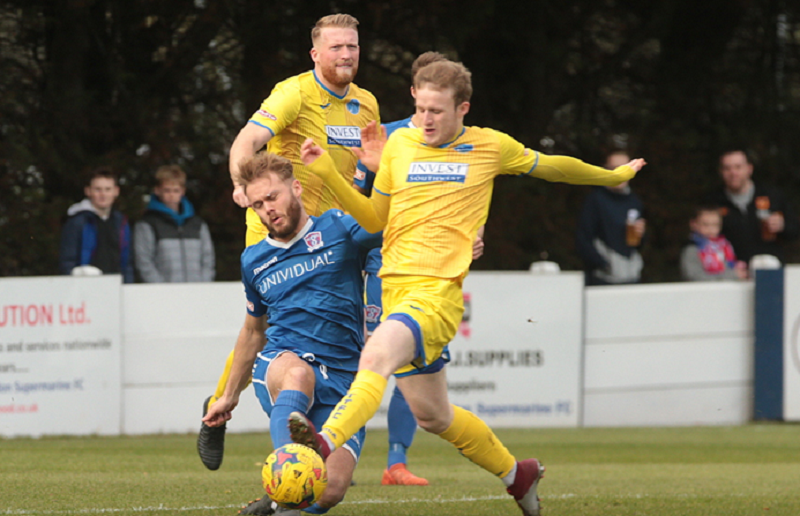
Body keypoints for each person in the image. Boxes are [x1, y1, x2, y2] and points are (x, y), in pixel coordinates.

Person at [295, 60, 646, 516]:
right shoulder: (400, 144)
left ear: (463, 108)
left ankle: (323, 442)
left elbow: (554, 168)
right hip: (395, 289)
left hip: (436, 295)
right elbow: (375, 220)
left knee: (374, 357)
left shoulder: (489, 146)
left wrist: (612, 177)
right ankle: (517, 474)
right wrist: (328, 174)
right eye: (419, 108)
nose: (425, 120)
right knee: (433, 415)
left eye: (436, 111)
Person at [197, 12, 380, 473]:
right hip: (277, 221)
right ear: (315, 54)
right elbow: (249, 140)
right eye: (336, 47)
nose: (345, 54)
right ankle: (221, 408)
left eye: (352, 46)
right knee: (265, 328)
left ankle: (326, 441)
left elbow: (366, 174)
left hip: (328, 233)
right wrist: (243, 183)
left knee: (333, 325)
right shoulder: (295, 92)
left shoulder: (367, 105)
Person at [202, 152, 381, 516]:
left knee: (330, 490)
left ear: (296, 188)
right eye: (257, 204)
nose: (267, 208)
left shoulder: (339, 227)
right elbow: (253, 331)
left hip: (344, 375)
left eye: (273, 197)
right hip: (283, 363)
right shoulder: (254, 260)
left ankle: (278, 504)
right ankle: (287, 475)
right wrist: (227, 396)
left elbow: (383, 227)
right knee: (300, 374)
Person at [354, 51, 453, 488]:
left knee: (414, 364)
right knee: (370, 358)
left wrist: (476, 235)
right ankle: (339, 457)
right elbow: (360, 207)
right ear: (414, 91)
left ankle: (396, 462)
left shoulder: (463, 144)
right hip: (384, 267)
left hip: (437, 273)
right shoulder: (386, 138)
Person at [706, 149, 799, 264]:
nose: (733, 173)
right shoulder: (713, 202)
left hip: (769, 268)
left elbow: (795, 230)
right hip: (731, 273)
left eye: (738, 167)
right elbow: (701, 238)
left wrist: (783, 225)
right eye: (727, 168)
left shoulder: (771, 195)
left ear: (749, 169)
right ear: (721, 172)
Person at [134, 165, 215, 283]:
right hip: (164, 294)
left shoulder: (197, 224)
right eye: (167, 190)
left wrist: (203, 284)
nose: (171, 195)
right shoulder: (147, 224)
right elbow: (144, 262)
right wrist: (161, 288)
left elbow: (208, 259)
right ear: (157, 190)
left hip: (197, 292)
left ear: (182, 191)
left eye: (176, 190)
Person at [575, 150, 646, 285]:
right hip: (602, 278)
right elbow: (583, 238)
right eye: (614, 168)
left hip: (631, 275)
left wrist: (641, 234)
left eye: (625, 168)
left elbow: (637, 243)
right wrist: (603, 264)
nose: (620, 172)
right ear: (605, 170)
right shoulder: (595, 199)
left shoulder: (634, 201)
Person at [58, 167, 134, 283]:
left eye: (108, 189)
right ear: (88, 191)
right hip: (85, 287)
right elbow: (67, 261)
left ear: (116, 191)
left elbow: (127, 262)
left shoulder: (121, 222)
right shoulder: (77, 222)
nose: (103, 194)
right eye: (97, 189)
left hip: (116, 286)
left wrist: (127, 286)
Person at [680, 206, 748, 281]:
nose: (711, 229)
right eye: (705, 224)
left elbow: (729, 267)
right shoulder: (692, 248)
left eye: (715, 225)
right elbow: (694, 277)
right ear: (694, 224)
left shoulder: (724, 245)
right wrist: (732, 275)